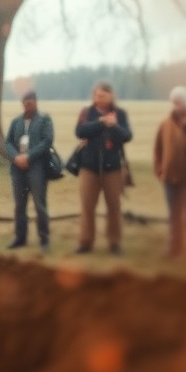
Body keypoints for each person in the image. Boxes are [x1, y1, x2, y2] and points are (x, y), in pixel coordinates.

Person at [74, 80, 133, 256]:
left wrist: (113, 125)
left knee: (114, 207)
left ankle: (114, 242)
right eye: (97, 95)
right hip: (88, 168)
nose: (100, 99)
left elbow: (126, 136)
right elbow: (80, 131)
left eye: (104, 96)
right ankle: (86, 241)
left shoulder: (120, 114)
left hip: (112, 169)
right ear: (94, 96)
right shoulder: (87, 112)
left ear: (111, 96)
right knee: (87, 207)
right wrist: (101, 122)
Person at [153, 87, 186, 259]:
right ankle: (174, 248)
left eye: (179, 102)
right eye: (173, 102)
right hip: (169, 177)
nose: (175, 105)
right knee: (174, 215)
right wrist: (159, 169)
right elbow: (158, 149)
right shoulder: (165, 124)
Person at [4, 91, 54, 251]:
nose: (27, 106)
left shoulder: (44, 120)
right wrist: (16, 157)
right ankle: (20, 238)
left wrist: (28, 157)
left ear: (36, 103)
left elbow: (47, 142)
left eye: (30, 103)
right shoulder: (16, 122)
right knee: (20, 206)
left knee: (40, 205)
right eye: (25, 103)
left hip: (37, 169)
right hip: (17, 170)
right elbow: (8, 143)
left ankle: (44, 240)